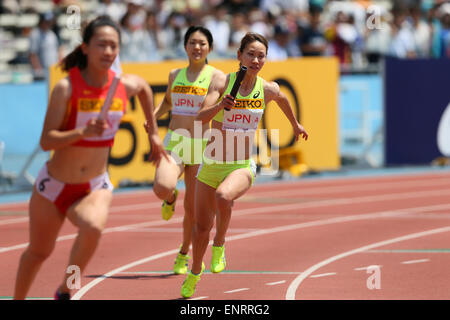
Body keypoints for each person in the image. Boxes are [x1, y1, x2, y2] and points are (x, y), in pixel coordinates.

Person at [13, 15, 167, 300]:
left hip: (93, 186)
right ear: (85, 47)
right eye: (101, 45)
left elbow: (145, 89)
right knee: (38, 252)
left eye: (114, 46)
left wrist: (153, 134)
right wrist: (81, 132)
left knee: (93, 228)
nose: (108, 51)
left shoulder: (121, 85)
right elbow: (47, 141)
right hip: (54, 187)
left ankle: (65, 288)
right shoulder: (66, 89)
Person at [180, 32, 309, 298]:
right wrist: (220, 106)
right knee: (200, 228)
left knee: (223, 197)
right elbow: (199, 117)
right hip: (211, 164)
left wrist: (295, 125)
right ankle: (195, 271)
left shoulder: (268, 88)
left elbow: (283, 99)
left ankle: (221, 243)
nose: (256, 59)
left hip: (241, 165)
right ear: (239, 56)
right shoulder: (222, 82)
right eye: (250, 54)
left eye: (261, 55)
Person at [149, 26, 224, 275]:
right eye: (192, 42)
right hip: (176, 141)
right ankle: (170, 198)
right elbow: (168, 101)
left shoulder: (216, 77)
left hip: (201, 146)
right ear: (185, 46)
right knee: (161, 186)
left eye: (202, 43)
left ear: (209, 48)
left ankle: (183, 253)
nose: (197, 47)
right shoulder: (174, 74)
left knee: (192, 211)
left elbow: (207, 109)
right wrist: (153, 115)